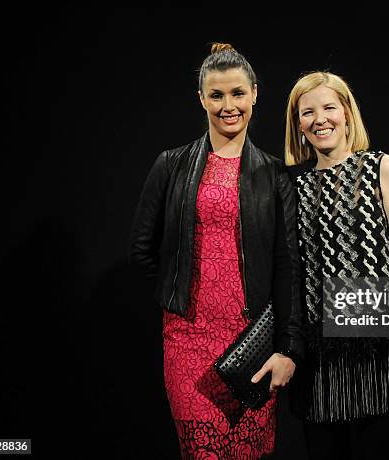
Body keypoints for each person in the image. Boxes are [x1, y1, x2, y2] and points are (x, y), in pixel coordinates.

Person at [129, 43, 303, 459]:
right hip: (187, 341)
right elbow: (142, 250)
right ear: (202, 98)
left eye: (238, 93)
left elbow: (289, 266)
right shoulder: (170, 165)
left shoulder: (275, 174)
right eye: (217, 95)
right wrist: (182, 293)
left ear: (255, 93)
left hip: (251, 344)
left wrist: (287, 348)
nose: (229, 105)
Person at [284, 71, 389, 459]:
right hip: (319, 363)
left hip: (380, 354)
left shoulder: (382, 168)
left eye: (329, 107)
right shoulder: (293, 186)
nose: (320, 119)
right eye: (307, 112)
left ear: (347, 113)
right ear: (298, 124)